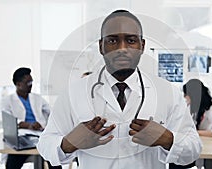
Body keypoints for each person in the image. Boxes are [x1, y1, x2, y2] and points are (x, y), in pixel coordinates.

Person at [37, 10, 202, 169]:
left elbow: (193, 148)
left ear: (142, 46)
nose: (122, 48)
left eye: (130, 40)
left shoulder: (167, 93)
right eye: (112, 40)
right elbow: (44, 145)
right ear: (101, 46)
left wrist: (167, 139)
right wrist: (69, 143)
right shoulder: (74, 93)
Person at [1, 67, 62, 169]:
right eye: (28, 83)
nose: (31, 85)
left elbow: (52, 112)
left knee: (53, 158)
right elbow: (8, 120)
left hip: (40, 134)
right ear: (18, 84)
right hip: (22, 135)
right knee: (12, 162)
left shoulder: (37, 98)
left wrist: (44, 125)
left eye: (31, 82)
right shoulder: (8, 100)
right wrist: (28, 125)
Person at [170, 79, 212, 169]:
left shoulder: (208, 110)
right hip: (192, 145)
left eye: (186, 94)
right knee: (175, 158)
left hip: (207, 148)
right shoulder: (188, 107)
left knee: (210, 162)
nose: (184, 96)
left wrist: (197, 132)